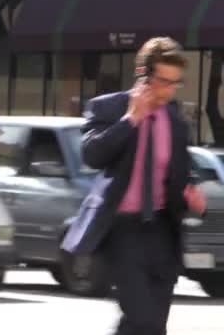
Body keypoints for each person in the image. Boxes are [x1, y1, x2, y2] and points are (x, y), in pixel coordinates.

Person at [78, 37, 206, 334]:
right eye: (163, 81)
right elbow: (92, 155)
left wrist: (190, 194)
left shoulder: (174, 121)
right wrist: (131, 119)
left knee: (153, 326)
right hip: (123, 230)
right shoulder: (107, 108)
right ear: (143, 75)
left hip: (162, 230)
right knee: (142, 318)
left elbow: (180, 172)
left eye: (175, 83)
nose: (169, 90)